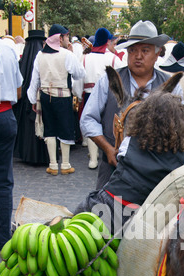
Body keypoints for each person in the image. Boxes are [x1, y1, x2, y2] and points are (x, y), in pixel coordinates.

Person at [74, 90, 184, 233]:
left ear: (142, 120)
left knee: (70, 222)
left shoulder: (129, 143)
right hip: (140, 220)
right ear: (180, 127)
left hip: (105, 206)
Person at [79, 20, 183, 190]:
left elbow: (180, 131)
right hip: (114, 171)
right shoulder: (108, 80)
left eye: (145, 50)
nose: (138, 56)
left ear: (157, 54)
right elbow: (88, 119)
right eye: (133, 50)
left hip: (156, 175)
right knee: (108, 214)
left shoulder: (171, 86)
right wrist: (107, 148)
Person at [27, 24, 86, 175]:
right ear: (59, 38)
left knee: (50, 129)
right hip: (63, 96)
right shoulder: (67, 55)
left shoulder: (40, 55)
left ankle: (53, 165)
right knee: (65, 128)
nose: (67, 38)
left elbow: (34, 81)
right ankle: (65, 164)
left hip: (45, 96)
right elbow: (80, 74)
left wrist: (33, 100)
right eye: (66, 36)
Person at [72, 28, 123, 170]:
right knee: (107, 126)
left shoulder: (86, 57)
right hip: (111, 97)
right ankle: (107, 152)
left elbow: (78, 79)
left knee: (91, 122)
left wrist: (78, 94)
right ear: (107, 41)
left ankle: (93, 158)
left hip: (88, 93)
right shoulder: (113, 58)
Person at [0, 34, 23, 252]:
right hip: (5, 116)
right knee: (4, 181)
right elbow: (18, 91)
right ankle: (2, 237)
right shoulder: (7, 49)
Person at [13, 29, 49, 166]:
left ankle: (26, 153)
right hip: (40, 96)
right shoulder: (43, 57)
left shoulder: (23, 60)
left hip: (25, 100)